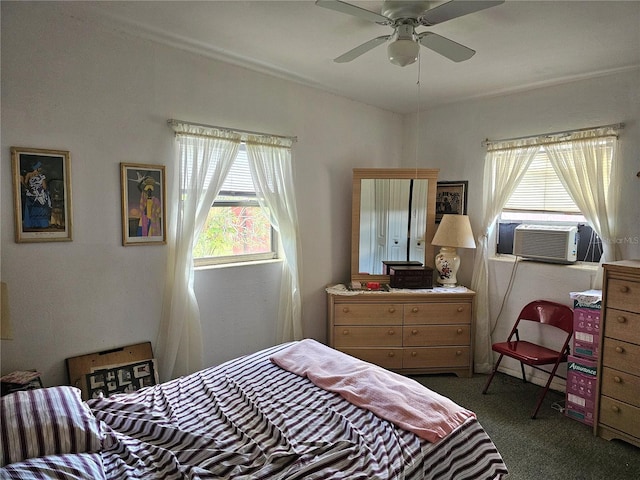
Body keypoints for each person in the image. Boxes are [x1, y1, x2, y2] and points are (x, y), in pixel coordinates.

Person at [22, 161, 52, 229]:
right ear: (37, 168)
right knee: (41, 207)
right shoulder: (41, 176)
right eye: (40, 167)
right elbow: (44, 187)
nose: (41, 169)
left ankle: (31, 224)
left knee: (32, 208)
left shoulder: (28, 174)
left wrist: (30, 190)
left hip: (30, 193)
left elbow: (26, 184)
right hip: (39, 193)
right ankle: (41, 224)